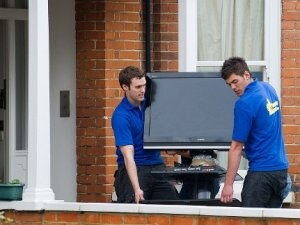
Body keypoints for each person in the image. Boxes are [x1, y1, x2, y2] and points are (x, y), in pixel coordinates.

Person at [220, 57, 289, 208]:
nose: (232, 87)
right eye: (229, 84)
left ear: (246, 74)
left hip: (261, 175)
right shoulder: (268, 89)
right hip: (281, 173)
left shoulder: (244, 103)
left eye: (235, 82)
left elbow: (236, 147)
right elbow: (271, 127)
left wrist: (228, 185)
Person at [111, 66, 178, 203]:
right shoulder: (121, 116)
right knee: (134, 210)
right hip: (135, 170)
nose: (143, 90)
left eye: (144, 86)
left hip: (157, 166)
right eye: (138, 87)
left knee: (175, 206)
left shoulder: (152, 104)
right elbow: (128, 156)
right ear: (125, 87)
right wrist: (136, 188)